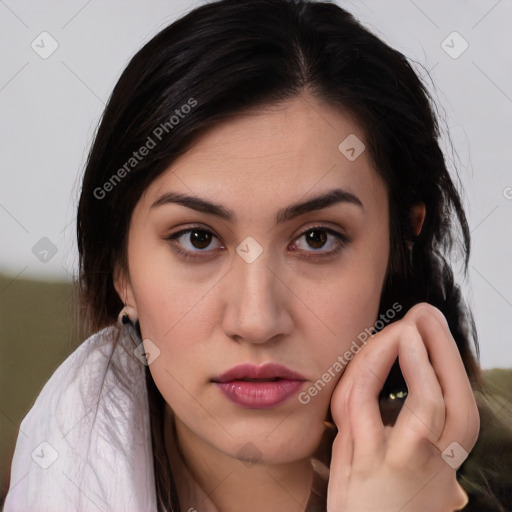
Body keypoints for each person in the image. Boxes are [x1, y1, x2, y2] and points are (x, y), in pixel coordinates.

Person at [4, 0, 511, 511]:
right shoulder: (57, 471)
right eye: (197, 238)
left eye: (317, 238)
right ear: (121, 271)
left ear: (401, 247)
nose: (257, 320)